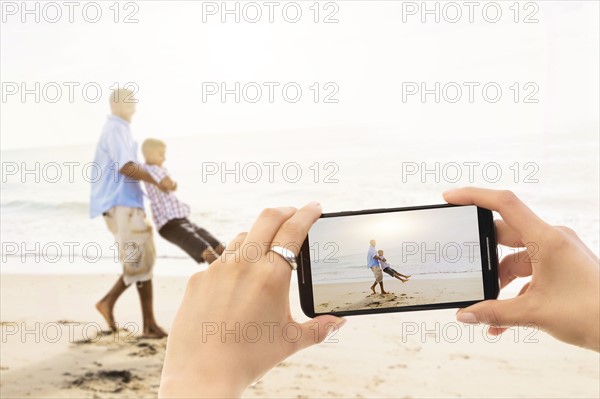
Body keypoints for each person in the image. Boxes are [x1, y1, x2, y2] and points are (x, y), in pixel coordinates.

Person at [158, 189, 599, 398]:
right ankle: (399, 282)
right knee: (382, 278)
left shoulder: (376, 254)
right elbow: (374, 261)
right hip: (378, 271)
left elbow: (376, 261)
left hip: (379, 271)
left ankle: (399, 281)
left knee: (384, 278)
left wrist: (195, 381)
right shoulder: (373, 254)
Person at [90, 88, 167, 338]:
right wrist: (158, 181)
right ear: (116, 104)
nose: (134, 106)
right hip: (122, 205)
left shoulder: (119, 129)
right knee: (140, 262)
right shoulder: (116, 129)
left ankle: (142, 320)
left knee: (141, 262)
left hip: (125, 205)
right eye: (129, 102)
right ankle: (138, 319)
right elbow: (126, 167)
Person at [141, 138, 225, 264]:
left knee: (217, 245)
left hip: (181, 221)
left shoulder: (156, 169)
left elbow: (169, 185)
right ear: (149, 155)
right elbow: (169, 184)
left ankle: (233, 270)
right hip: (169, 224)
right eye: (161, 154)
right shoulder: (153, 169)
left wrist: (172, 184)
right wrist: (172, 184)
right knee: (205, 249)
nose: (164, 158)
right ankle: (223, 276)